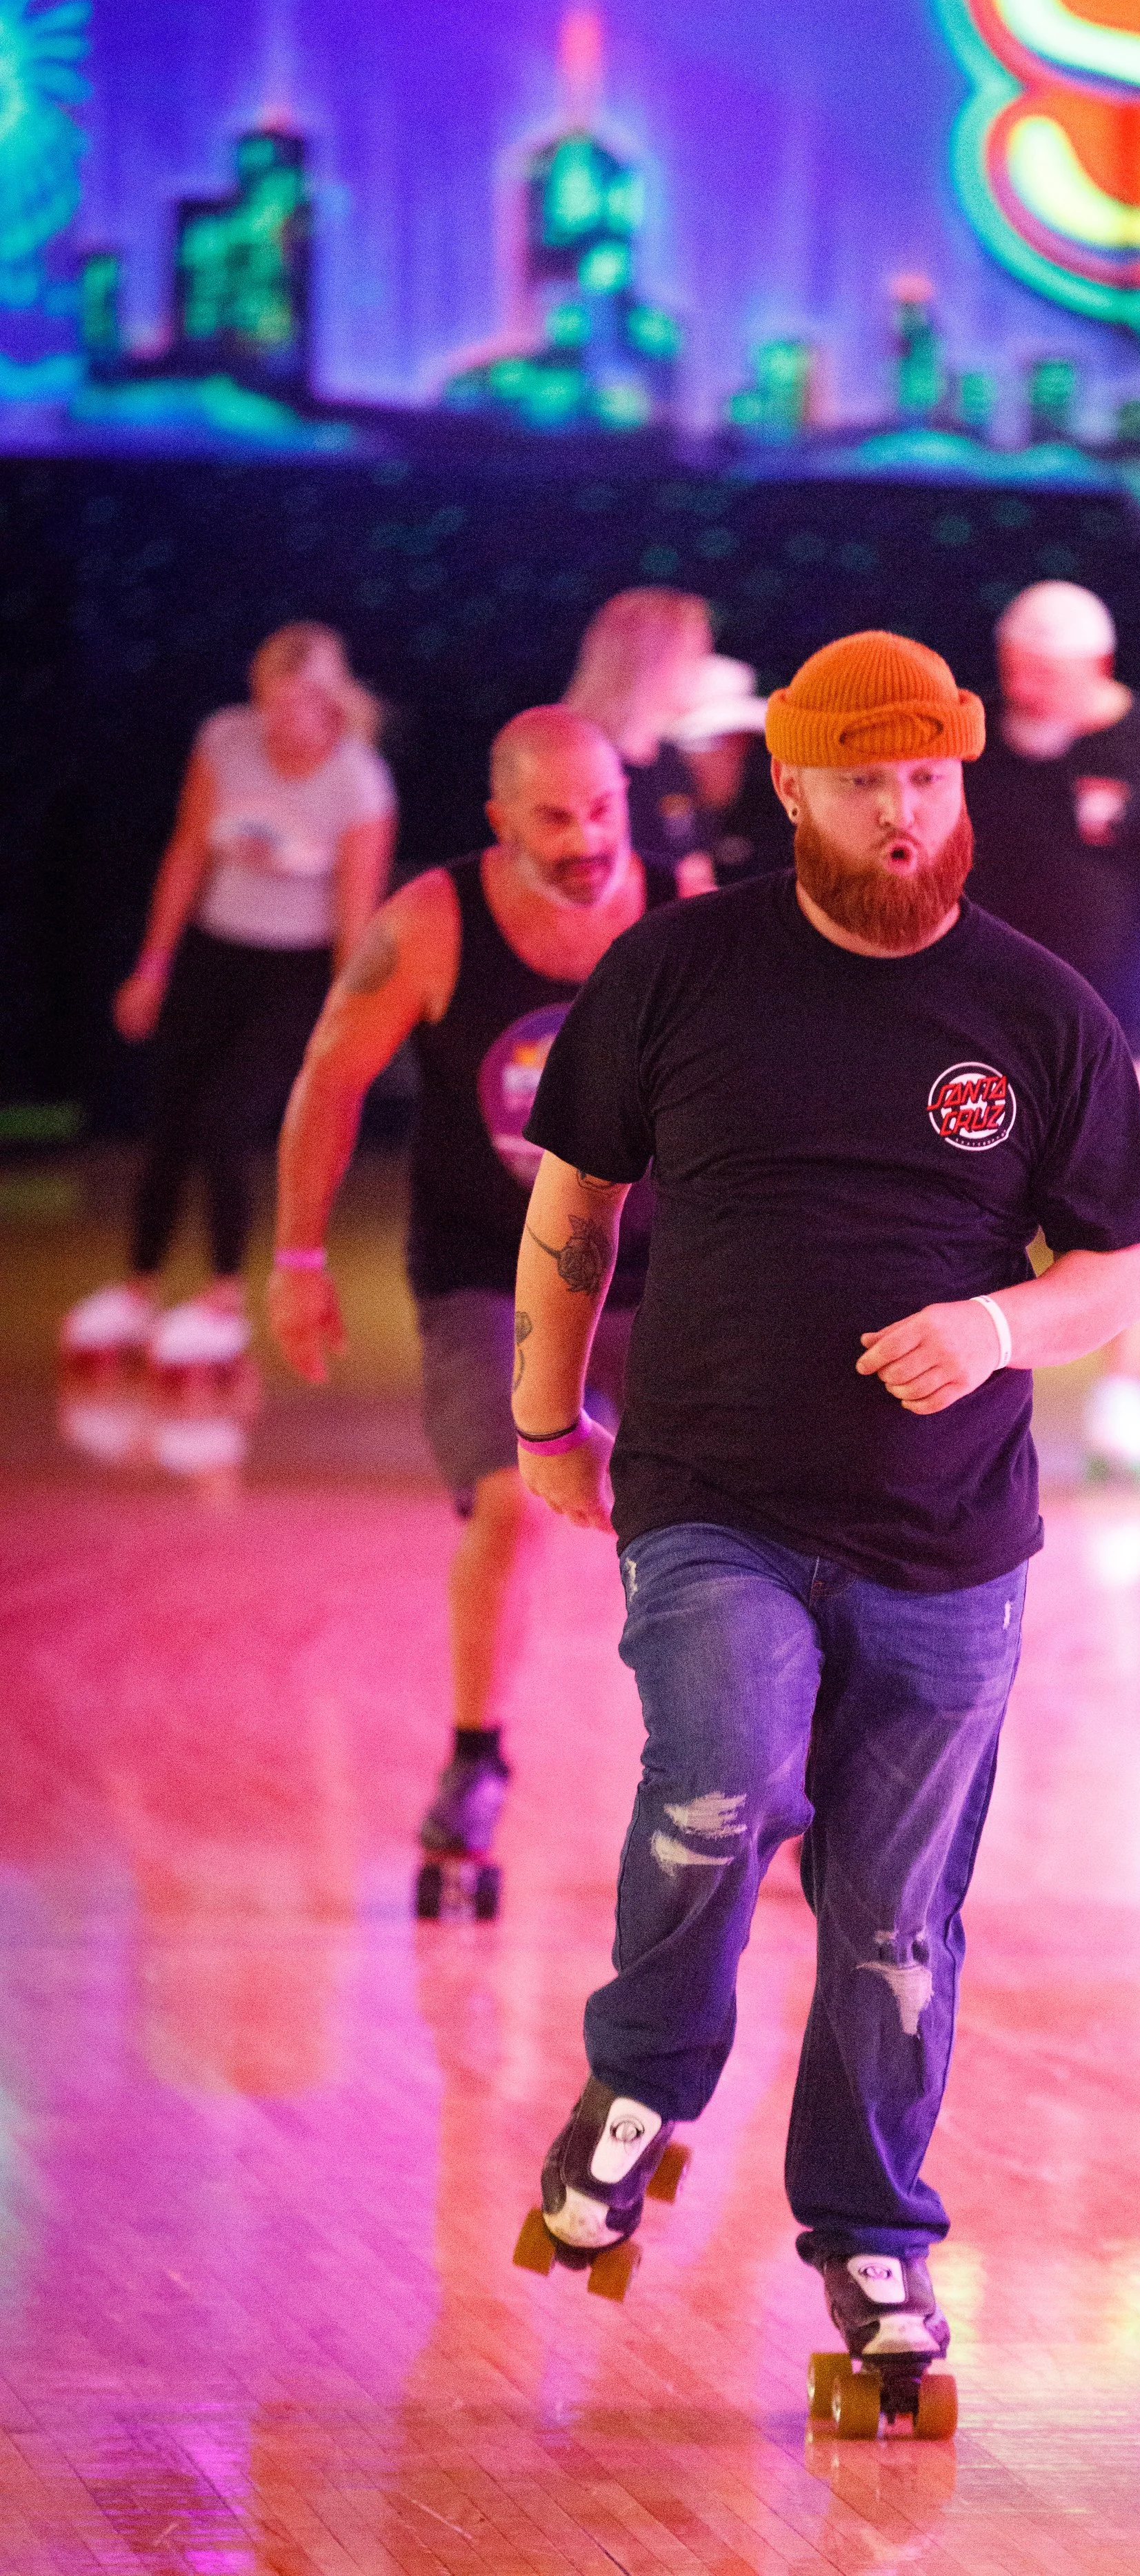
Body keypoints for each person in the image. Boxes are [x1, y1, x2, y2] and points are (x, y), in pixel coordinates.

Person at [508, 633, 1140, 2377]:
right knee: (723, 1777)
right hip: (714, 1493)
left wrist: (999, 1323)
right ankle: (643, 2082)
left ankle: (873, 2239)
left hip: (951, 1541)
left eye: (929, 776)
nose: (903, 808)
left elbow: (1118, 1267)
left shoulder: (1039, 1010)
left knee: (893, 1917)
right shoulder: (679, 971)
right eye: (864, 777)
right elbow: (574, 1205)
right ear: (789, 786)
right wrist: (541, 1415)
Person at [268, 708, 673, 1874]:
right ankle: (476, 1759)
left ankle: (767, 1780)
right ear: (500, 823)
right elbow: (331, 1079)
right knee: (508, 1502)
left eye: (604, 809)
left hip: (654, 1267)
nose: (589, 836)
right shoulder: (434, 922)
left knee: (720, 1518)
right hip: (485, 1265)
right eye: (555, 816)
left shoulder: (681, 905)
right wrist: (298, 1260)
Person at [965, 580, 1140, 1482]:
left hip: (1124, 1035)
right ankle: (973, 1394)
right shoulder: (975, 747)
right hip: (986, 1037)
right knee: (969, 1209)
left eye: (1044, 673)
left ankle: (1122, 1396)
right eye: (1014, 668)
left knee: (1134, 1222)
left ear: (1098, 666)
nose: (1025, 688)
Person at [62, 624, 396, 1370]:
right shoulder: (226, 741)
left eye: (298, 705)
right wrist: (152, 967)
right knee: (169, 1121)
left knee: (227, 1121)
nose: (279, 721)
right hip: (215, 957)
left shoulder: (358, 781)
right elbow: (186, 852)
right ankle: (138, 1288)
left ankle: (221, 1299)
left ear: (329, 701)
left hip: (298, 974)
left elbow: (356, 915)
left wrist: (345, 1019)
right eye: (268, 702)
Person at [563, 588, 717, 896]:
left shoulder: (669, 758)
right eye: (695, 652)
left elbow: (696, 872)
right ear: (656, 660)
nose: (705, 666)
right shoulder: (571, 762)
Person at [665, 654, 791, 885]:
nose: (735, 756)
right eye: (722, 742)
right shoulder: (651, 816)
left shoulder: (770, 813)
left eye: (742, 742)